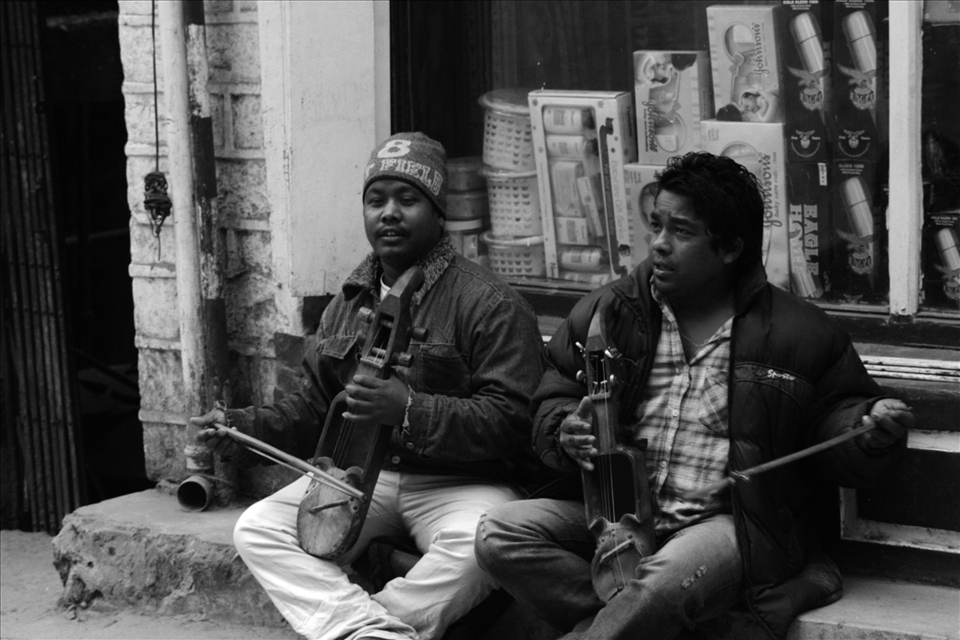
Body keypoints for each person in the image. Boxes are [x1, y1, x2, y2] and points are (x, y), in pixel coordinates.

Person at [474, 152, 912, 640]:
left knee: (663, 583)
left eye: (681, 232)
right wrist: (564, 431)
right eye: (656, 225)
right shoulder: (612, 312)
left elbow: (838, 420)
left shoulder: (797, 333)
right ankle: (640, 625)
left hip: (728, 526)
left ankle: (633, 620)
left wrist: (870, 427)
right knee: (500, 534)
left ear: (729, 248)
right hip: (621, 513)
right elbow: (556, 390)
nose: (658, 245)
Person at [190, 132, 544, 640]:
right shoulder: (348, 301)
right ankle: (375, 632)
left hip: (462, 482)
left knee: (485, 542)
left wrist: (408, 409)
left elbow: (512, 422)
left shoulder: (490, 302)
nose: (389, 214)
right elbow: (312, 405)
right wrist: (240, 428)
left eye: (408, 199)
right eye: (376, 200)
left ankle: (367, 626)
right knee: (258, 529)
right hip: (361, 476)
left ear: (438, 211)